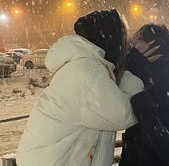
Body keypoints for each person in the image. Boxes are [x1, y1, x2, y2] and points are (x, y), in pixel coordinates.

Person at [16, 9, 144, 166]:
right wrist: (136, 74)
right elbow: (122, 114)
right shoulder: (86, 72)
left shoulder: (88, 67)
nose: (128, 44)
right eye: (125, 38)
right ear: (111, 40)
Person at [119, 24, 169, 166]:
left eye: (138, 39)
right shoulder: (144, 81)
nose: (132, 44)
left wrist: (141, 101)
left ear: (154, 47)